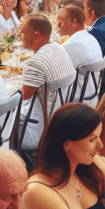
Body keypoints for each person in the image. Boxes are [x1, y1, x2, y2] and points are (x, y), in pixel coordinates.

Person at [18, 14, 76, 151]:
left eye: (23, 32)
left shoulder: (35, 63)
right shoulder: (58, 48)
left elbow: (25, 99)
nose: (20, 35)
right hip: (57, 122)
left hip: (37, 131)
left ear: (37, 35)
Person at [56, 5, 103, 103]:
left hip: (78, 101)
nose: (58, 25)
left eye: (61, 21)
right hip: (92, 95)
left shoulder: (72, 45)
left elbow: (55, 75)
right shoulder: (90, 37)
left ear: (74, 22)